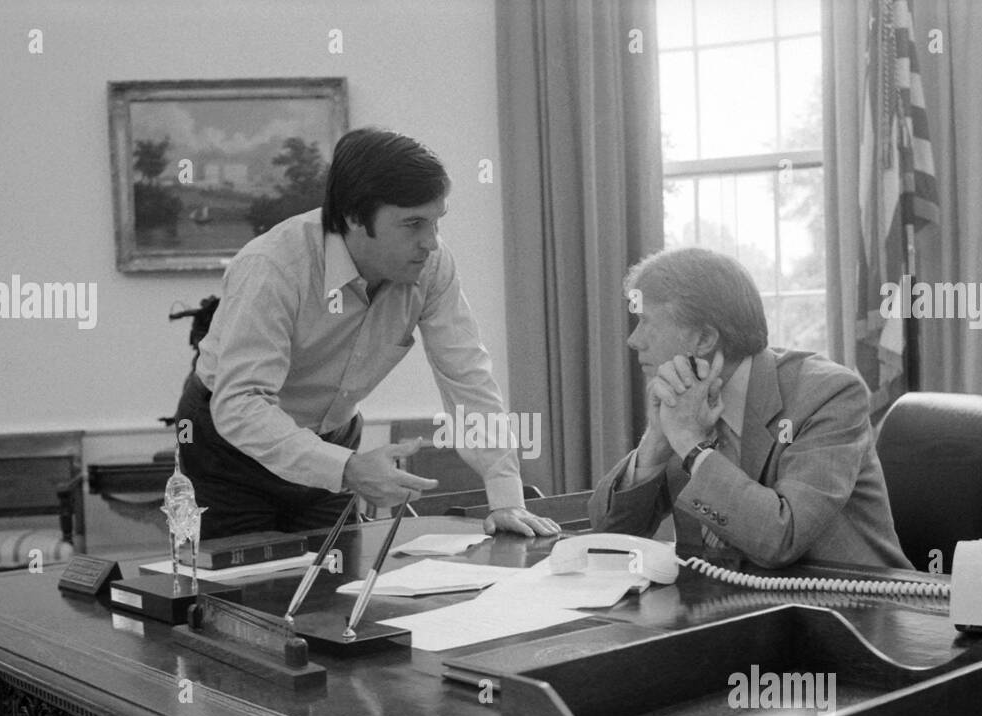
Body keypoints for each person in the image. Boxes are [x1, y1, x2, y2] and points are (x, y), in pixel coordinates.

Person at [176, 128, 560, 540]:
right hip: (229, 451)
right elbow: (241, 403)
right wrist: (346, 468)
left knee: (332, 589)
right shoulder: (273, 268)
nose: (430, 243)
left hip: (333, 442)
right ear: (354, 218)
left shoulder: (432, 265)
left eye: (436, 222)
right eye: (413, 224)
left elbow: (468, 377)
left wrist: (505, 497)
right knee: (239, 594)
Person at [589, 247, 911, 569]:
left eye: (646, 322)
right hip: (721, 608)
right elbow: (608, 537)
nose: (634, 340)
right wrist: (657, 442)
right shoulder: (683, 397)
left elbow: (781, 538)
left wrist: (691, 445)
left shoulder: (828, 394)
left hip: (853, 609)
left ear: (704, 339)